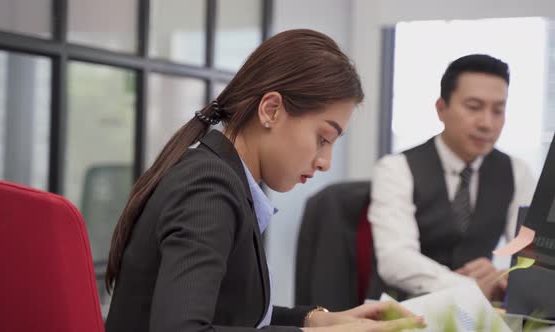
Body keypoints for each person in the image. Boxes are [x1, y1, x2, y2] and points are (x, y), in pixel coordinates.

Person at [104, 29, 425, 332]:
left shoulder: (218, 176)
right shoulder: (208, 188)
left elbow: (232, 313)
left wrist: (319, 321)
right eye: (323, 138)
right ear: (271, 110)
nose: (324, 162)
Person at [369, 54, 536, 301]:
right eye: (474, 107)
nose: (487, 123)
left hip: (478, 316)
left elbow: (530, 253)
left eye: (498, 110)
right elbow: (395, 259)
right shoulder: (396, 168)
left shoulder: (516, 171)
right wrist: (468, 288)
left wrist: (505, 277)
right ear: (441, 109)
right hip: (406, 310)